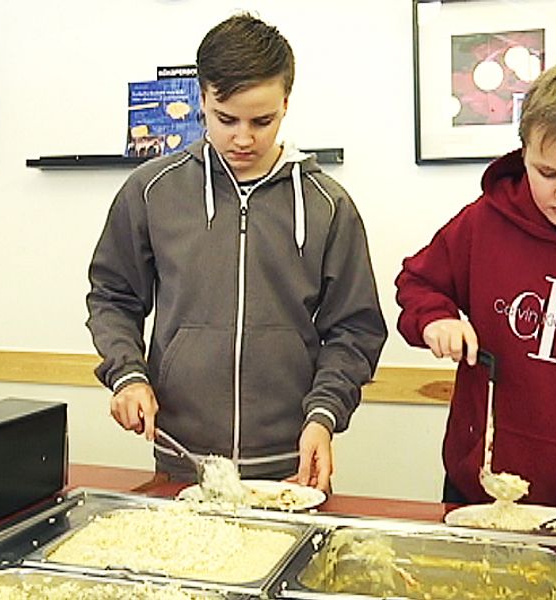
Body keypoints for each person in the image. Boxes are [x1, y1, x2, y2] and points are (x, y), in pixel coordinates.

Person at [86, 12, 387, 492]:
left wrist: (325, 415)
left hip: (291, 463)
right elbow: (113, 297)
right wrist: (127, 374)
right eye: (226, 119)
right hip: (182, 458)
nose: (243, 138)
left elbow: (355, 329)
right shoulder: (151, 192)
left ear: (286, 104)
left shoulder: (328, 206)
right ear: (202, 98)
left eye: (261, 121)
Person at [395, 58, 556, 511]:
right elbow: (417, 283)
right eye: (547, 173)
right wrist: (436, 320)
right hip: (479, 488)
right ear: (523, 154)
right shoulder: (482, 224)